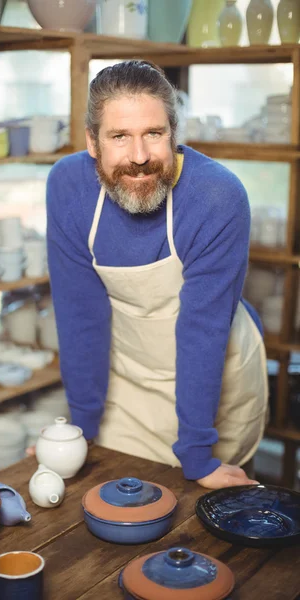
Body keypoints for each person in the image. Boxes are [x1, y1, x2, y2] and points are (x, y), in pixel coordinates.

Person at [44, 60, 268, 489]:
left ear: (174, 133)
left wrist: (199, 456)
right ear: (92, 142)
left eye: (154, 133)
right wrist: (81, 431)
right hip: (130, 379)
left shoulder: (217, 197)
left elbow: (202, 330)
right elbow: (80, 317)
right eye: (120, 137)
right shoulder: (68, 188)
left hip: (216, 376)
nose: (140, 157)